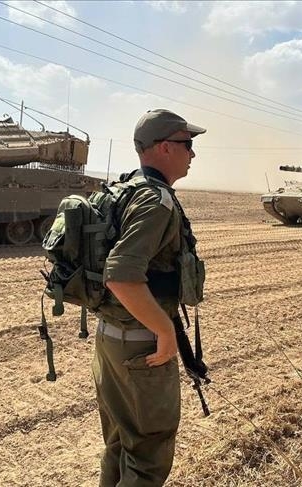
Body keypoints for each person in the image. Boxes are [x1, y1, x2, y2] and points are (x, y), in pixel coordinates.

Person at [93, 109, 206, 487]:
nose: (192, 153)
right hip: (143, 346)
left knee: (120, 443)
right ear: (164, 148)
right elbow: (121, 276)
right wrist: (165, 331)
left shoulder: (125, 189)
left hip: (112, 336)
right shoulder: (156, 202)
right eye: (187, 144)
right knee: (147, 457)